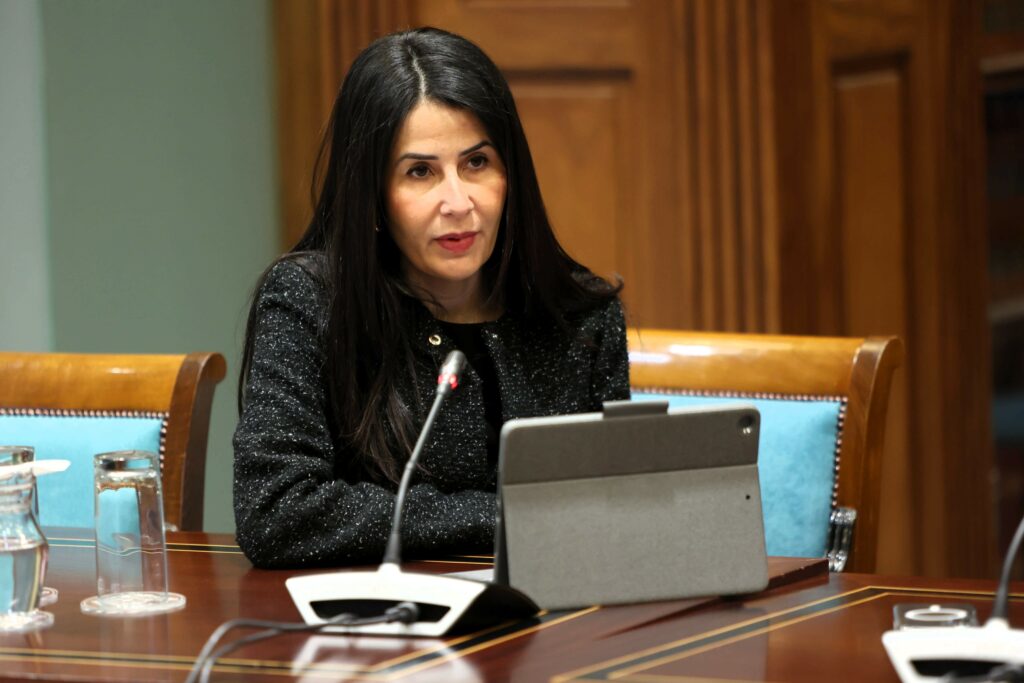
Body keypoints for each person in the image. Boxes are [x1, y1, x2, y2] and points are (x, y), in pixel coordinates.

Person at [233, 27, 629, 569]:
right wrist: (501, 517)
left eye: (477, 163)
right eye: (420, 172)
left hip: (560, 625)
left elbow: (616, 512)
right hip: (378, 630)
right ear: (371, 194)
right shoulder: (310, 303)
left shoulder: (579, 316)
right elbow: (277, 513)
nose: (458, 202)